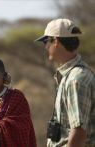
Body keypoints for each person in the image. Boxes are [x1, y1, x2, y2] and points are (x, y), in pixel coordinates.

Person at [35, 18, 95, 147]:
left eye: (46, 41)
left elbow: (79, 131)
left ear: (55, 41)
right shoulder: (74, 74)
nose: (45, 46)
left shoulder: (76, 79)